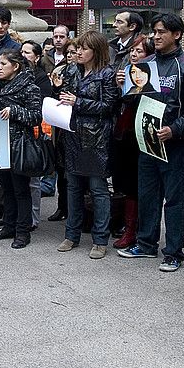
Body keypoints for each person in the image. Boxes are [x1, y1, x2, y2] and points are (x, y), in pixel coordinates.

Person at [116, 13, 184, 272]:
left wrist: (174, 130)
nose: (156, 36)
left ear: (176, 35)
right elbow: (133, 101)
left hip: (174, 143)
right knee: (147, 195)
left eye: (162, 31)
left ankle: (174, 252)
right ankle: (145, 244)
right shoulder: (146, 63)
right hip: (146, 141)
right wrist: (124, 86)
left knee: (175, 199)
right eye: (154, 31)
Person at [55, 31, 118, 259]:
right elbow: (66, 96)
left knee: (98, 190)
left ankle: (100, 239)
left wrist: (78, 102)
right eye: (77, 48)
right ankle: (71, 235)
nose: (78, 52)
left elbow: (109, 106)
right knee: (72, 187)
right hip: (73, 136)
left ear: (96, 51)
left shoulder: (107, 74)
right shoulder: (73, 71)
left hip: (97, 138)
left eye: (83, 49)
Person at [0, 48, 43, 248]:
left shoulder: (29, 87)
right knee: (6, 188)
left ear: (15, 67)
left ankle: (23, 231)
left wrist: (15, 111)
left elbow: (36, 116)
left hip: (19, 145)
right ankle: (8, 225)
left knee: (20, 189)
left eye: (3, 64)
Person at [111, 35, 155, 249]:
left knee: (142, 187)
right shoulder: (126, 73)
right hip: (124, 134)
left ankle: (140, 231)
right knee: (127, 185)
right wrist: (121, 86)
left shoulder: (152, 76)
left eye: (140, 51)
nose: (134, 55)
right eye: (132, 51)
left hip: (145, 134)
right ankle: (128, 228)